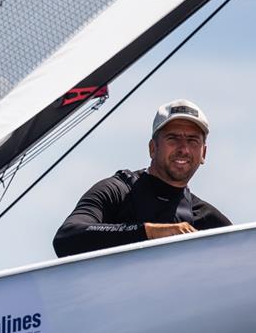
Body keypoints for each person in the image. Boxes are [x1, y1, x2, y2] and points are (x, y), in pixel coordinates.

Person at [53, 99, 231, 258]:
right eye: (173, 138)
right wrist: (149, 232)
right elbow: (66, 237)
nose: (184, 149)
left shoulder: (207, 218)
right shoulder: (117, 191)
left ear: (203, 153)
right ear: (153, 148)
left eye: (193, 141)